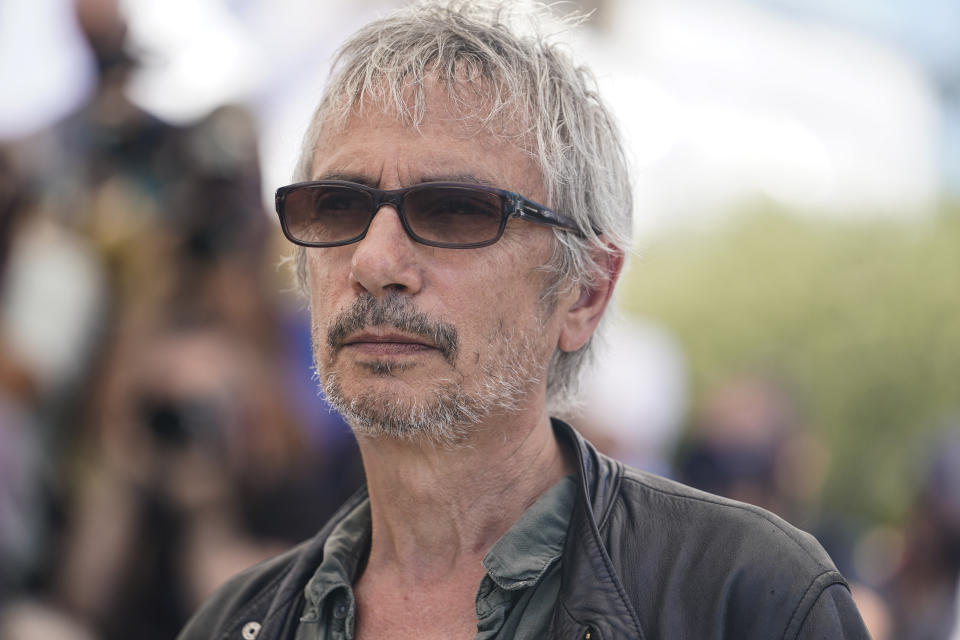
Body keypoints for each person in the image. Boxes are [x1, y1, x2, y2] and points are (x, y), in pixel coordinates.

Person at [178, 3, 869, 638]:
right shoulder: (237, 623)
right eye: (335, 206)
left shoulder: (748, 596)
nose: (374, 259)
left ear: (584, 293)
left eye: (453, 210)